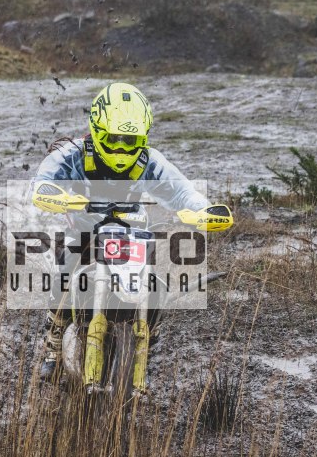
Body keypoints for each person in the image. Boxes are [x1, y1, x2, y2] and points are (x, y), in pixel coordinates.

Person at [31, 81, 231, 385]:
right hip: (86, 229)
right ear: (97, 130)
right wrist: (49, 192)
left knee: (156, 281)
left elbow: (182, 191)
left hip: (131, 233)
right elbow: (44, 177)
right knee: (64, 267)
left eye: (131, 139)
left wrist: (202, 211)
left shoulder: (149, 160)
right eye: (114, 138)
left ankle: (147, 335)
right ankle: (53, 345)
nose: (122, 147)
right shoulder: (74, 154)